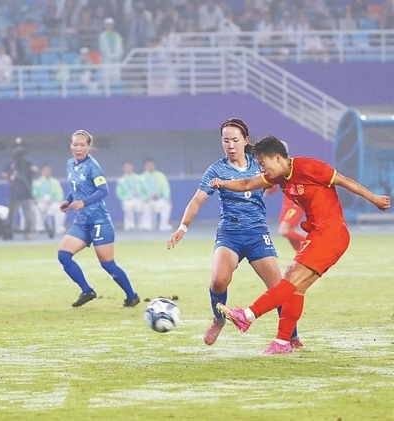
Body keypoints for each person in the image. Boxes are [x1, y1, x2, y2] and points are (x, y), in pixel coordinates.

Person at [211, 134, 391, 354]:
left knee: (291, 280)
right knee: (296, 286)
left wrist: (375, 198)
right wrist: (223, 183)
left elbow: (344, 181)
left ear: (278, 158)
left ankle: (247, 316)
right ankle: (284, 342)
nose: (261, 169)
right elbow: (247, 183)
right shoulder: (280, 177)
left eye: (263, 163)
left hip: (331, 234)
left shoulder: (308, 167)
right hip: (317, 233)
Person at [167, 119, 301, 347]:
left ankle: (292, 335)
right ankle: (218, 320)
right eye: (226, 140)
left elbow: (285, 175)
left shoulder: (259, 163)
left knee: (278, 287)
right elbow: (197, 200)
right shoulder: (216, 169)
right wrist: (182, 227)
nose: (230, 145)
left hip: (257, 232)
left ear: (246, 140)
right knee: (218, 281)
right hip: (230, 233)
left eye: (235, 140)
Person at [57, 129, 140, 308]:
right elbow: (76, 188)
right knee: (63, 255)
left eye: (82, 145)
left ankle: (132, 296)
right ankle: (87, 291)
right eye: (75, 144)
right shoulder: (70, 164)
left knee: (107, 264)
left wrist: (83, 203)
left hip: (99, 221)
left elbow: (103, 191)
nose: (78, 148)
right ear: (70, 145)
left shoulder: (93, 166)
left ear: (88, 146)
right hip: (81, 222)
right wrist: (68, 200)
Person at [264, 141, 306, 251]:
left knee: (284, 230)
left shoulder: (289, 165)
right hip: (288, 202)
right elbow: (273, 187)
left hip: (295, 202)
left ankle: (311, 243)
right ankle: (302, 254)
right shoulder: (278, 167)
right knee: (288, 231)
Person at [1, 137, 39, 240]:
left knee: (28, 215)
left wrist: (30, 170)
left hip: (26, 192)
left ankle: (27, 232)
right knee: (11, 214)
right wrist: (11, 174)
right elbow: (4, 174)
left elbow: (35, 170)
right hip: (14, 193)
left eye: (20, 147)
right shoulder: (11, 163)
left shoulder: (27, 162)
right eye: (16, 148)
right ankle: (8, 232)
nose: (18, 150)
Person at [115, 161, 150, 231]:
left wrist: (145, 198)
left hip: (140, 199)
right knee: (128, 205)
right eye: (126, 167)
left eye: (129, 167)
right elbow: (119, 193)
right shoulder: (121, 180)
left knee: (145, 205)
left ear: (132, 167)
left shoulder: (139, 178)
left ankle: (143, 224)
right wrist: (125, 198)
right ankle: (130, 224)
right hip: (128, 199)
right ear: (123, 168)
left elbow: (145, 189)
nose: (128, 168)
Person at [32, 164, 66, 236]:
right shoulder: (37, 182)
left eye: (48, 170)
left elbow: (60, 194)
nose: (47, 172)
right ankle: (40, 228)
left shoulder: (55, 182)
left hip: (53, 203)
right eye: (45, 170)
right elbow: (34, 195)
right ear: (42, 171)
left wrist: (56, 200)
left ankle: (59, 228)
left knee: (62, 207)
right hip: (41, 203)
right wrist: (40, 200)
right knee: (39, 207)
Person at [141, 158, 172, 231]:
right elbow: (140, 190)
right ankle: (147, 225)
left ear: (154, 165)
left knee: (166, 204)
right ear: (145, 166)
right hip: (148, 200)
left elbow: (165, 187)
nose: (149, 166)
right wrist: (145, 198)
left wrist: (167, 197)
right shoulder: (141, 177)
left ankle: (164, 224)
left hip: (159, 199)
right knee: (145, 205)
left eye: (150, 164)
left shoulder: (161, 175)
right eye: (147, 165)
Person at [98, 17, 124, 81]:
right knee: (106, 80)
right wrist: (109, 56)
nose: (109, 26)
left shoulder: (117, 35)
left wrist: (115, 56)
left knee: (116, 78)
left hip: (116, 61)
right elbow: (103, 48)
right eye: (107, 24)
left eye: (110, 24)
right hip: (106, 61)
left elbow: (119, 47)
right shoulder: (103, 36)